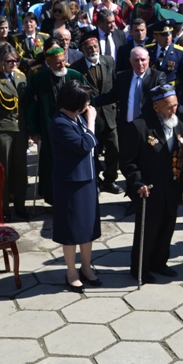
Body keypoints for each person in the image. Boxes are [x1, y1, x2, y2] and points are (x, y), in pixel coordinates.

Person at [120, 84, 183, 283]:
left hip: (171, 189)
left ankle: (160, 262)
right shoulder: (140, 127)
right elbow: (127, 162)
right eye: (169, 106)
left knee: (167, 229)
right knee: (147, 232)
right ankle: (140, 268)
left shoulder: (179, 125)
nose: (173, 110)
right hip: (149, 190)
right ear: (156, 106)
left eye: (175, 105)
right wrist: (138, 183)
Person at [94, 47, 166, 216]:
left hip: (148, 131)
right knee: (129, 164)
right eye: (136, 60)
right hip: (127, 129)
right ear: (130, 61)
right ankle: (133, 198)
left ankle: (146, 198)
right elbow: (112, 96)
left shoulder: (157, 77)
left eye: (143, 60)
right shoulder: (123, 77)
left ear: (148, 60)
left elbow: (164, 101)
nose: (140, 63)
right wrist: (89, 101)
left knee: (145, 165)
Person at [50, 80, 102, 294]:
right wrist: (91, 122)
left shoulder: (76, 118)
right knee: (71, 229)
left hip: (87, 180)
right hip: (70, 184)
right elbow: (84, 145)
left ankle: (87, 267)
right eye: (85, 102)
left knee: (87, 228)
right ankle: (71, 272)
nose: (88, 105)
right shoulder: (60, 122)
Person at [25, 46, 86, 205]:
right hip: (47, 128)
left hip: (73, 128)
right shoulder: (39, 78)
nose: (62, 65)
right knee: (50, 162)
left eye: (63, 61)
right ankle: (52, 199)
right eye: (58, 63)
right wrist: (33, 130)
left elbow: (89, 99)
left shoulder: (75, 75)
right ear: (49, 62)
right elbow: (29, 105)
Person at [0, 42, 29, 221]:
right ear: (1, 61)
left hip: (20, 129)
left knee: (20, 170)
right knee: (4, 171)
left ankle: (20, 206)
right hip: (3, 130)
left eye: (16, 60)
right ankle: (4, 209)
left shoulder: (21, 77)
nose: (14, 64)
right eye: (10, 61)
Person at [72, 30, 122, 195]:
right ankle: (96, 181)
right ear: (83, 50)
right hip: (89, 116)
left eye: (95, 46)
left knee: (114, 148)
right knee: (92, 151)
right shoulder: (77, 68)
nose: (93, 50)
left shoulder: (109, 61)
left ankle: (110, 180)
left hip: (109, 114)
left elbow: (115, 85)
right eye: (89, 47)